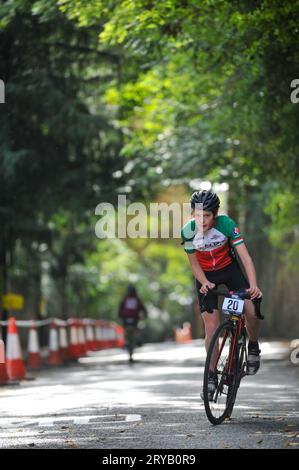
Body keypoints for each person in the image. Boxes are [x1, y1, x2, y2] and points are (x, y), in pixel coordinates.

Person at [181, 190, 263, 397]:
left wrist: (253, 285)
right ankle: (210, 377)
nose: (202, 220)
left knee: (252, 311)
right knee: (211, 326)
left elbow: (245, 258)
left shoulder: (226, 225)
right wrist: (205, 282)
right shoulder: (188, 231)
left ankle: (252, 346)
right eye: (197, 215)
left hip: (230, 271)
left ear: (215, 214)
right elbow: (193, 265)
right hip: (205, 276)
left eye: (206, 215)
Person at [118, 284, 147, 362]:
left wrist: (121, 317)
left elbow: (120, 309)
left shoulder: (125, 299)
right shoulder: (137, 299)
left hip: (126, 321)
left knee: (127, 334)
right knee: (135, 333)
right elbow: (143, 309)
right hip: (134, 321)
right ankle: (137, 342)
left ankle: (127, 343)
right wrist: (144, 315)